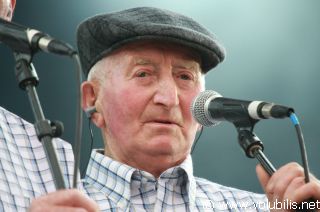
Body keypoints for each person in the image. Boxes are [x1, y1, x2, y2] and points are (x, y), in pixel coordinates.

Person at [1, 4, 320, 212]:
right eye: (143, 74)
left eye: (184, 77)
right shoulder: (33, 202)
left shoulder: (266, 209)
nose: (168, 98)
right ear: (91, 99)